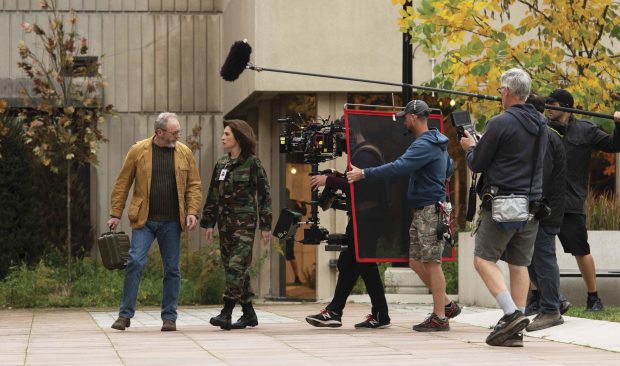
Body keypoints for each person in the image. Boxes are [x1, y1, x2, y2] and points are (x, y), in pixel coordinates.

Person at [348, 99, 459, 332]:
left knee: (431, 262)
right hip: (425, 208)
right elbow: (449, 167)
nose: (403, 121)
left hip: (430, 209)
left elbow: (399, 167)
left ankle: (440, 317)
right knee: (415, 261)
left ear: (414, 117)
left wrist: (364, 173)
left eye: (405, 117)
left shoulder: (425, 144)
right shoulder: (435, 141)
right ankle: (446, 303)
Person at [459, 68, 546, 347]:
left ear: (507, 92)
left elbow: (478, 163)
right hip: (532, 204)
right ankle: (515, 331)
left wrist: (471, 147)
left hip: (501, 203)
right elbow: (517, 155)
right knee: (519, 264)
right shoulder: (541, 124)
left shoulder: (500, 122)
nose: (499, 95)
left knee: (483, 260)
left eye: (500, 90)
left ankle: (510, 315)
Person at [108, 112, 202, 332]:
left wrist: (192, 212)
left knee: (172, 269)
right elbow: (123, 182)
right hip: (145, 219)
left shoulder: (184, 152)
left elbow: (194, 185)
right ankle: (125, 315)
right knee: (135, 262)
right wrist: (115, 213)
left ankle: (169, 317)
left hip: (171, 222)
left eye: (179, 131)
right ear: (160, 132)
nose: (179, 135)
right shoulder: (138, 150)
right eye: (174, 132)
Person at [305, 126, 391, 329]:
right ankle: (340, 311)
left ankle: (345, 311)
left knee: (363, 264)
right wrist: (335, 176)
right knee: (350, 264)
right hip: (364, 218)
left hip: (368, 219)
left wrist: (329, 180)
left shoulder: (366, 153)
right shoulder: (364, 152)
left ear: (351, 134)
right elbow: (355, 182)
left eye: (340, 137)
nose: (339, 143)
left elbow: (361, 186)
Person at [545, 89, 620, 312]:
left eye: (553, 103)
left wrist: (618, 124)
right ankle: (538, 297)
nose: (549, 107)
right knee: (536, 251)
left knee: (580, 250)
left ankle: (593, 297)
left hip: (570, 202)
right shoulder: (542, 127)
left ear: (566, 106)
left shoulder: (586, 130)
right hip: (544, 201)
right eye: (547, 103)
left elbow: (614, 146)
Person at [200, 119, 272, 330]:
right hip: (225, 225)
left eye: (227, 134)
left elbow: (265, 195)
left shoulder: (252, 163)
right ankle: (249, 313)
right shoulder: (222, 163)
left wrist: (265, 225)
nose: (222, 137)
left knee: (235, 267)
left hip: (245, 225)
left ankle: (226, 312)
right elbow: (213, 194)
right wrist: (209, 222)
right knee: (235, 270)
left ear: (238, 137)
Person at [523, 94, 569, 333]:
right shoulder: (544, 135)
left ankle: (551, 310)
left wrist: (534, 204)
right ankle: (556, 300)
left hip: (545, 211)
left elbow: (544, 175)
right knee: (532, 258)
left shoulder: (546, 137)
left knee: (543, 258)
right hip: (542, 208)